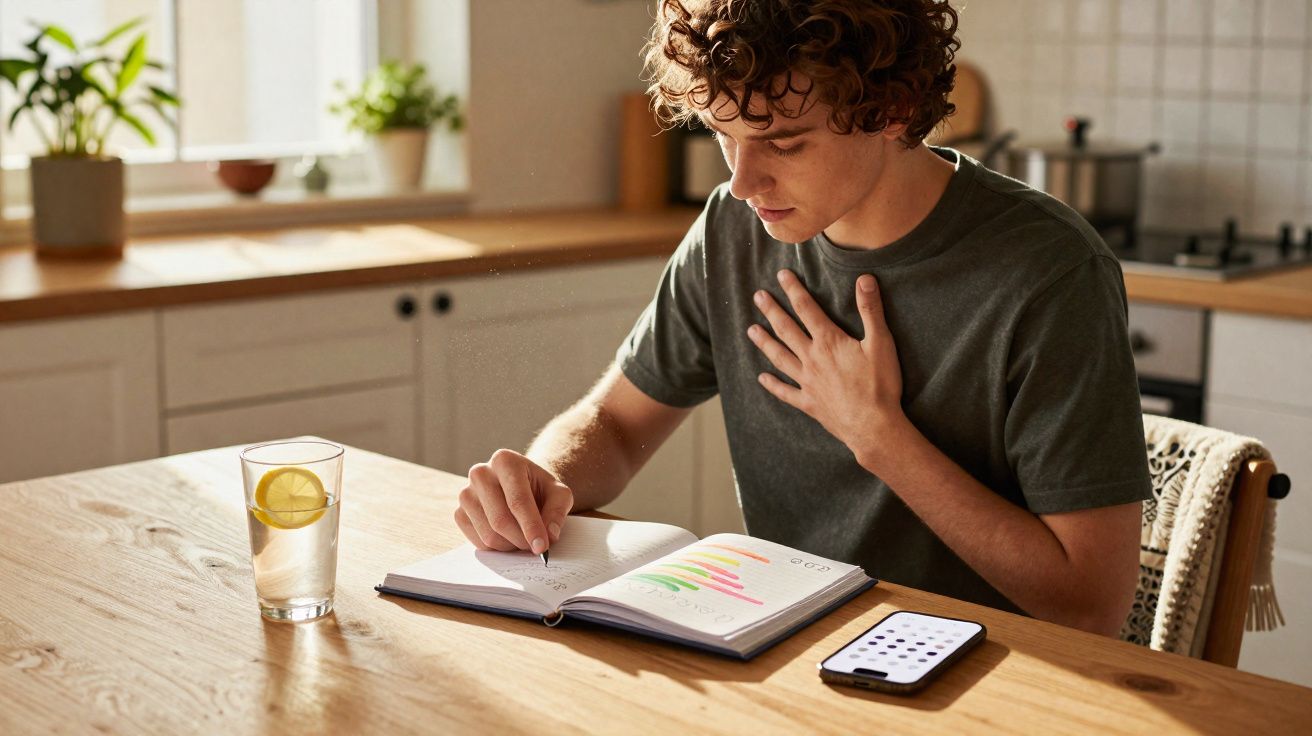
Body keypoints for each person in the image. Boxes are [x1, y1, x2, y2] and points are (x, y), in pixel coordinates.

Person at [453, 0, 1151, 637]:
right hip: (790, 654)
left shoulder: (1050, 271)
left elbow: (1090, 603)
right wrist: (542, 484)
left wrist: (879, 435)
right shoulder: (735, 228)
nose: (742, 182)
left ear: (897, 109)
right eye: (723, 134)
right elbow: (615, 424)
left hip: (991, 679)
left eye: (784, 143)